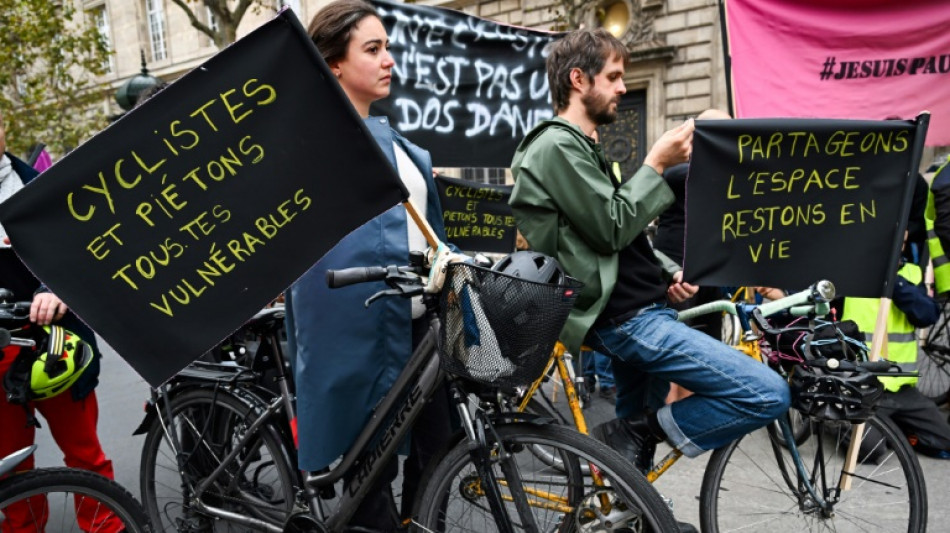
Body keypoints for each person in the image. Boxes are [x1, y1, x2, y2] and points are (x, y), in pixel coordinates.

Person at [509, 27, 790, 492]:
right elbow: (611, 225)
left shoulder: (580, 145)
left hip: (641, 307)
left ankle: (628, 510)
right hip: (624, 319)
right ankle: (636, 432)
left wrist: (666, 272)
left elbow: (617, 235)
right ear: (578, 79)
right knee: (766, 392)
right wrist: (655, 163)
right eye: (614, 76)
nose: (623, 87)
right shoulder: (555, 145)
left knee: (631, 446)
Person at [286, 2, 455, 530]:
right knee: (369, 478)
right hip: (355, 328)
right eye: (373, 49)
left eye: (388, 48)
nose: (390, 61)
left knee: (443, 448)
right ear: (334, 63)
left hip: (420, 326)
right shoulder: (310, 144)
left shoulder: (398, 143)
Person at [0, 110, 123, 532]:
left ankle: (106, 525)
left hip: (56, 346)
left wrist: (52, 289)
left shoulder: (39, 187)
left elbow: (80, 252)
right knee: (12, 471)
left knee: (85, 456)